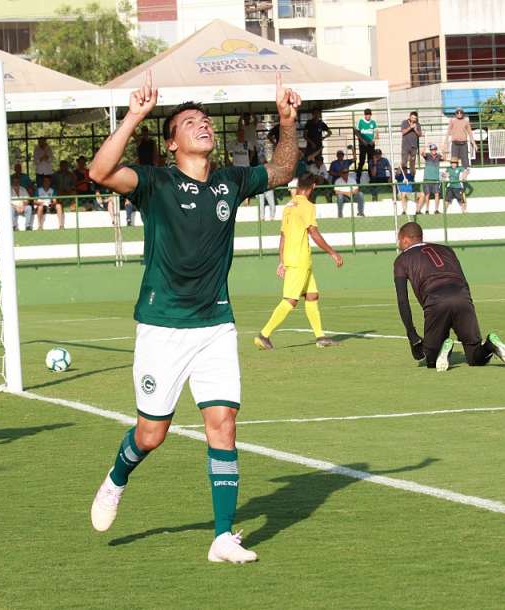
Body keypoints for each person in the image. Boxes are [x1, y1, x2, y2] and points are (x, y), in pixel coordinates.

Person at [86, 70, 302, 563]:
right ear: (171, 143)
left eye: (205, 120)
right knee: (151, 434)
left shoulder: (230, 181)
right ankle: (116, 478)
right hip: (162, 327)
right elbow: (99, 172)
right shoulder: (155, 182)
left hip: (215, 326)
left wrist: (288, 121)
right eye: (189, 122)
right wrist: (134, 116)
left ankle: (223, 537)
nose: (202, 125)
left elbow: (282, 170)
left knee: (222, 423)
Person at [393, 222, 505, 372]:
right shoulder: (447, 250)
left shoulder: (401, 260)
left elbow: (402, 300)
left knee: (431, 360)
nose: (398, 243)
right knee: (476, 357)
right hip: (462, 296)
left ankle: (445, 349)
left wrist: (412, 335)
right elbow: (463, 280)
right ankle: (490, 344)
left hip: (435, 301)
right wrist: (467, 304)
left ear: (405, 239)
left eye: (399, 239)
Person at [255, 173, 343, 350]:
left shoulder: (288, 206)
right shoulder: (307, 206)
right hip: (299, 259)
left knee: (312, 295)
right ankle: (264, 335)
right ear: (313, 187)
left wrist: (281, 260)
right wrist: (332, 252)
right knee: (290, 300)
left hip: (294, 258)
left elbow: (283, 235)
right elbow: (313, 232)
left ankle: (320, 337)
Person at [417, 144, 443, 215]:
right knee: (427, 195)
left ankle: (436, 210)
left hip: (436, 179)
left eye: (434, 149)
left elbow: (444, 158)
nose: (433, 150)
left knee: (437, 194)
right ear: (430, 150)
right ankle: (427, 210)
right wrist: (426, 145)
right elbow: (421, 153)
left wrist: (443, 149)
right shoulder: (427, 155)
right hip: (427, 179)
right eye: (432, 149)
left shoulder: (438, 156)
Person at [354, 108, 377, 179]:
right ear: (364, 115)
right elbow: (356, 131)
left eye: (369, 114)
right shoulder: (360, 121)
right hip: (363, 145)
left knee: (370, 161)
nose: (368, 116)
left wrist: (373, 140)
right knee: (362, 161)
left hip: (371, 145)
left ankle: (371, 177)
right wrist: (362, 140)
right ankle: (358, 177)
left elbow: (376, 132)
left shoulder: (373, 122)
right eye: (366, 114)